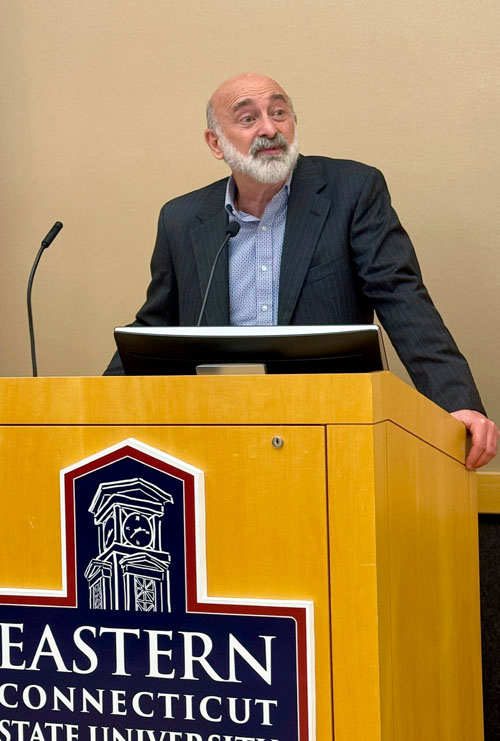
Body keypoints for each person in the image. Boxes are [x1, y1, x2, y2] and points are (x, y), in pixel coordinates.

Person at [105, 72, 498, 469]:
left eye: (279, 112)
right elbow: (155, 325)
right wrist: (91, 410)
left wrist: (456, 402)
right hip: (218, 434)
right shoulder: (182, 218)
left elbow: (401, 297)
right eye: (248, 118)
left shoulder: (352, 190)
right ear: (216, 143)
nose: (269, 129)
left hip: (332, 432)